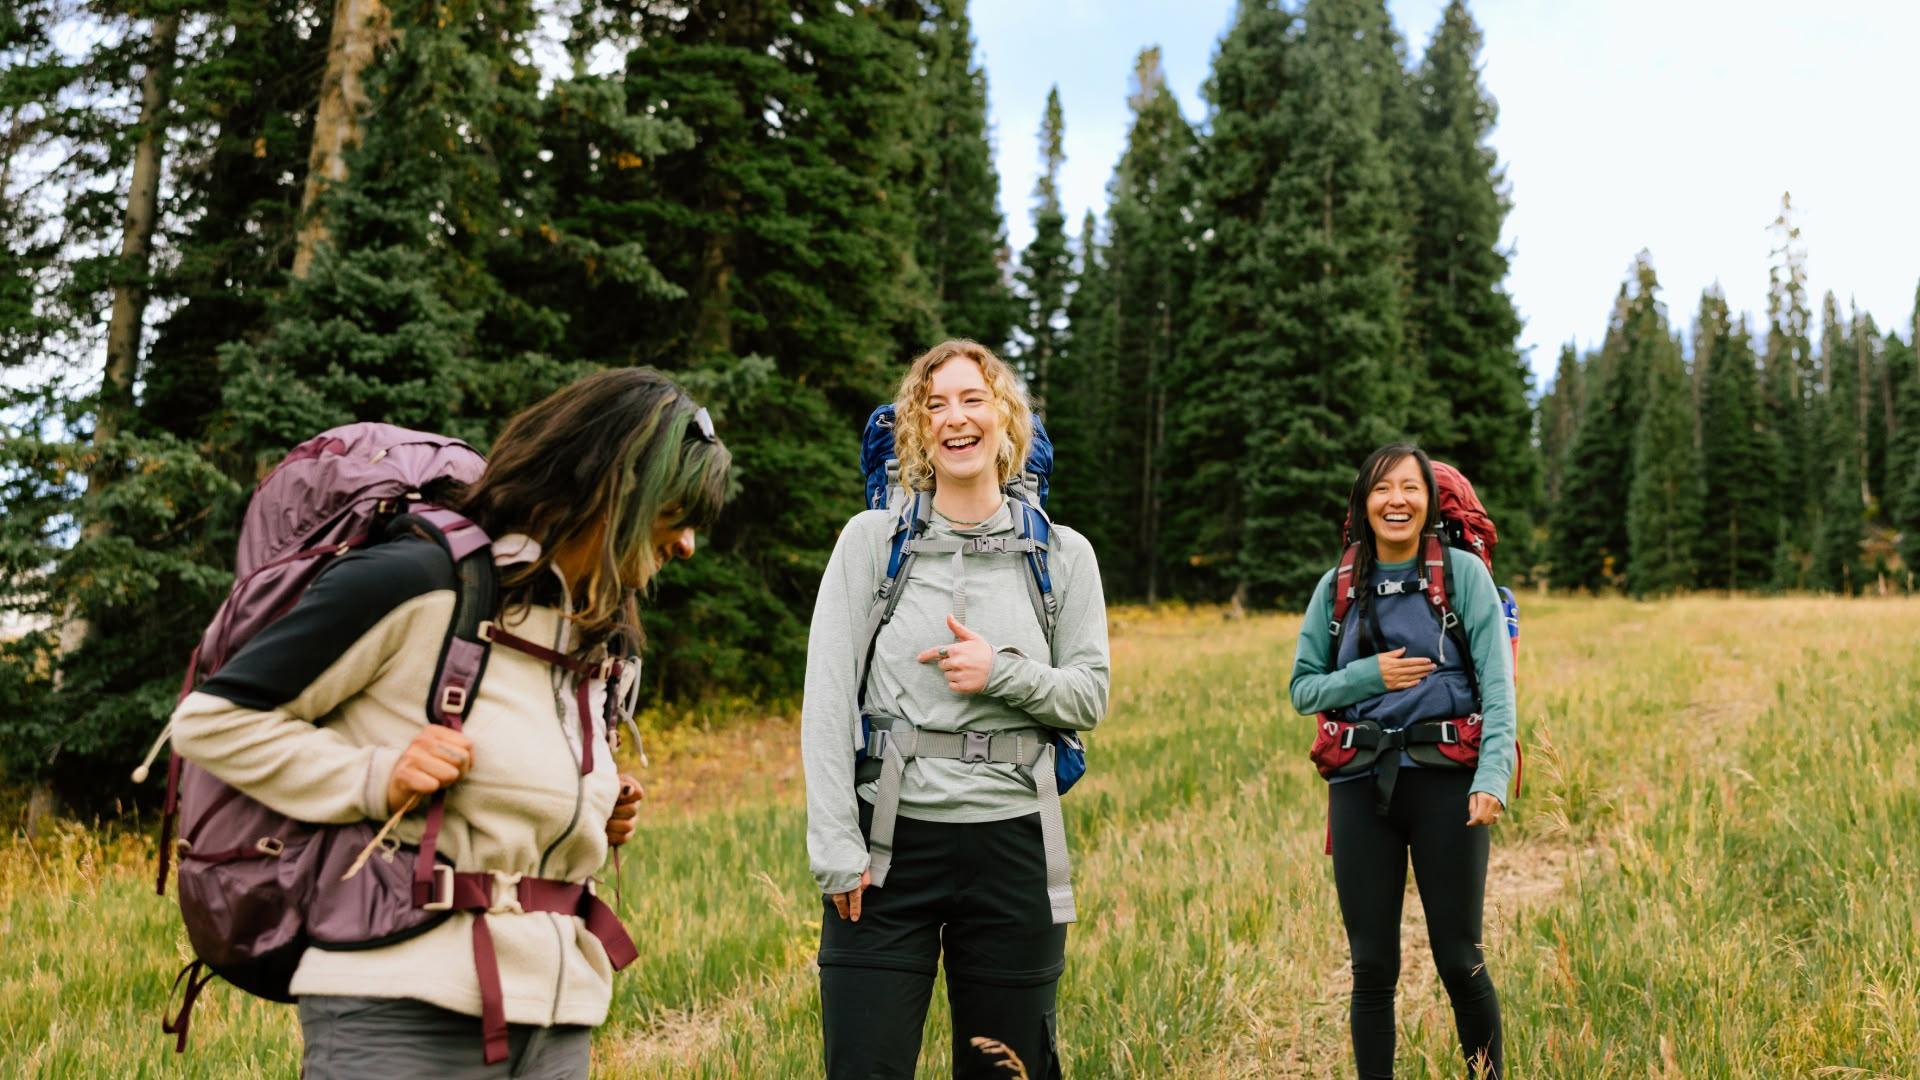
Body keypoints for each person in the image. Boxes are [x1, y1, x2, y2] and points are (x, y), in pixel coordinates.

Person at [170, 368, 730, 1078]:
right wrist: (377, 776)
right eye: (676, 513)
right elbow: (212, 722)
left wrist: (585, 810)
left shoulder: (593, 634)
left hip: (558, 1014)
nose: (687, 545)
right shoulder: (420, 580)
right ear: (609, 489)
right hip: (401, 1004)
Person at [802, 340, 1110, 1079]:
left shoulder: (1063, 555)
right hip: (885, 849)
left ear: (1007, 420)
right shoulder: (871, 543)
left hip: (1014, 844)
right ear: (917, 429)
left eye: (973, 399)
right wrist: (836, 850)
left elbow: (1088, 695)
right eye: (934, 405)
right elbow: (827, 699)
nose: (955, 418)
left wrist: (1001, 673)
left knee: (1003, 1071)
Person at [1288, 443, 1516, 1080]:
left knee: (1460, 959)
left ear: (1430, 502)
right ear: (1364, 503)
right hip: (1360, 784)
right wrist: (1370, 675)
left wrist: (1492, 777)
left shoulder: (1463, 576)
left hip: (1447, 784)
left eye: (1410, 488)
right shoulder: (1336, 586)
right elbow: (1303, 689)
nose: (1397, 500)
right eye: (1383, 488)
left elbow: (1498, 688)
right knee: (1371, 968)